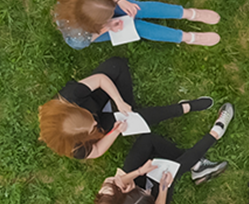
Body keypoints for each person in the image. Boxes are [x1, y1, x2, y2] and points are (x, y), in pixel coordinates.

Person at [38, 57, 219, 160]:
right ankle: (183, 107)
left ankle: (127, 109)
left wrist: (118, 100)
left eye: (88, 118)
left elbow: (100, 79)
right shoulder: (76, 148)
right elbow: (98, 151)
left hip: (94, 98)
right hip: (106, 125)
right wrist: (115, 132)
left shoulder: (70, 96)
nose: (93, 121)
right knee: (134, 118)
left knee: (117, 65)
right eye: (89, 127)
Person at [94, 116, 234, 204]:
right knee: (171, 171)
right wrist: (163, 188)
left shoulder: (106, 197)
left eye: (143, 192)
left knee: (147, 141)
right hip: (157, 197)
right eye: (146, 195)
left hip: (131, 181)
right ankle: (214, 135)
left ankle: (197, 166)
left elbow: (118, 179)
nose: (147, 191)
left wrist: (139, 172)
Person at [53, 0, 220, 48]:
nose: (115, 15)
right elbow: (87, 40)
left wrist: (118, 1)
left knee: (137, 8)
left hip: (99, 12)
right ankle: (187, 37)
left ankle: (189, 13)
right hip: (95, 31)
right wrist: (109, 27)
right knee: (136, 27)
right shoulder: (78, 34)